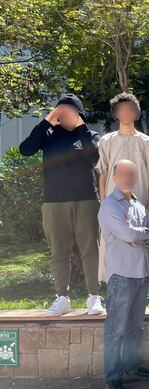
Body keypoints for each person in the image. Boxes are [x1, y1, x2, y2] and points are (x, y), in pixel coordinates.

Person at [19, 93, 102, 316]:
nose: (64, 115)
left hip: (86, 199)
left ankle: (94, 296)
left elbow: (94, 159)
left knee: (90, 249)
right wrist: (46, 121)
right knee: (59, 252)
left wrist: (81, 127)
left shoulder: (89, 135)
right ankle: (61, 297)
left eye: (70, 111)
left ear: (80, 113)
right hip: (54, 201)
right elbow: (25, 149)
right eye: (60, 111)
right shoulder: (48, 134)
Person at [98, 160, 149, 389]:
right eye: (124, 174)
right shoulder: (109, 205)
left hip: (141, 273)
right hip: (121, 275)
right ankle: (113, 377)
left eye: (132, 174)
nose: (129, 178)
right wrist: (138, 233)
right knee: (116, 329)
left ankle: (131, 365)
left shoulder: (137, 204)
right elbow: (127, 233)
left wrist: (138, 233)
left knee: (135, 327)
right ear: (114, 177)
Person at [97, 92, 149, 208]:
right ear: (115, 113)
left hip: (140, 201)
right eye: (121, 110)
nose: (126, 113)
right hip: (112, 204)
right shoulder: (106, 141)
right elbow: (103, 174)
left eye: (130, 109)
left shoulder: (148, 143)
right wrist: (103, 204)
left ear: (136, 113)